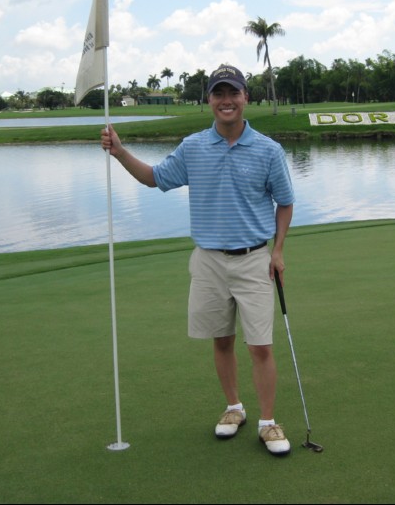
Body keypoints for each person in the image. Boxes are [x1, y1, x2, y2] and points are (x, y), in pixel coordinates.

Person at [100, 64, 295, 456]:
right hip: (208, 261)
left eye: (233, 93)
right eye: (218, 94)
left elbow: (285, 203)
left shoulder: (269, 150)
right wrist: (120, 153)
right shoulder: (192, 147)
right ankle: (233, 408)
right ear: (209, 100)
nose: (226, 101)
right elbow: (154, 178)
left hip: (253, 259)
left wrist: (277, 251)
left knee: (261, 346)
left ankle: (268, 422)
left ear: (245, 99)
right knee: (221, 340)